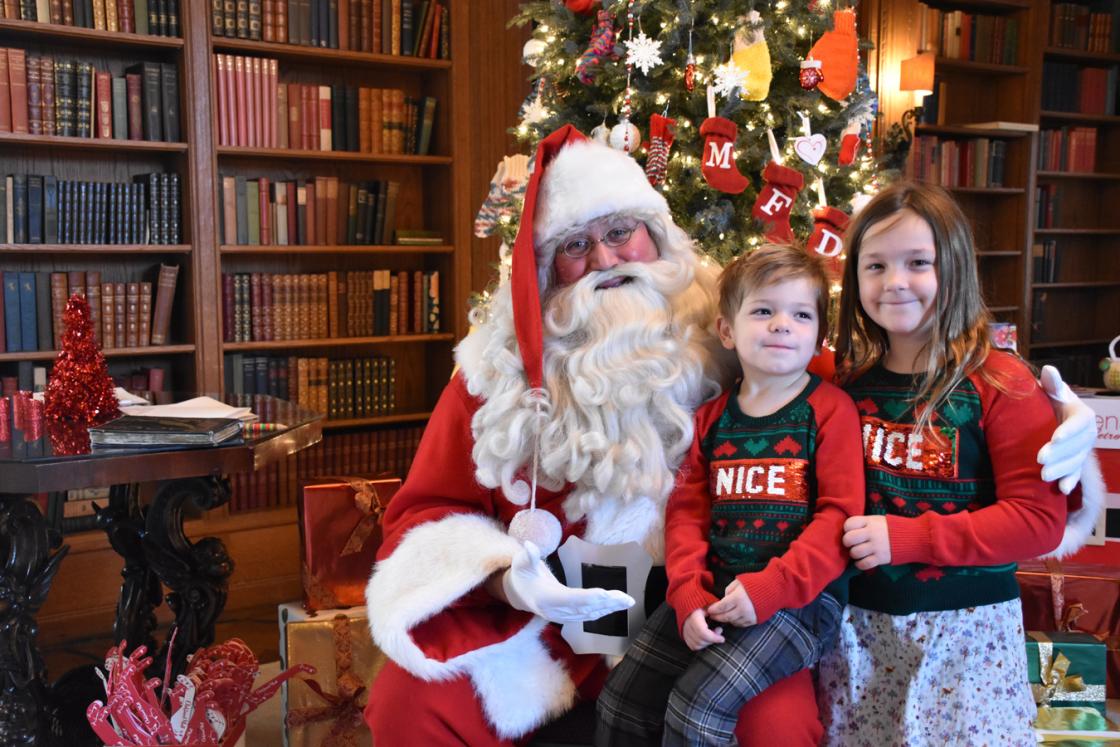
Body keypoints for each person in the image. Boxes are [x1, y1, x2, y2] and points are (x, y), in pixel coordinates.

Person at [362, 126, 1099, 746]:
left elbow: (885, 397)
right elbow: (423, 513)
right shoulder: (492, 374)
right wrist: (500, 574)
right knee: (408, 701)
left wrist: (1069, 429)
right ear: (544, 269)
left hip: (732, 601)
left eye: (622, 232)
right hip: (555, 632)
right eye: (576, 246)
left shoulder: (730, 338)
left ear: (657, 235)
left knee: (770, 718)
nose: (608, 260)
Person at [816, 181, 1104, 745]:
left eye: (917, 262)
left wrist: (909, 538)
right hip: (857, 635)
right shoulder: (844, 384)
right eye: (874, 266)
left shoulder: (999, 382)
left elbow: (1036, 521)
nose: (894, 281)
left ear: (953, 268)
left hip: (968, 640)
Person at [594, 244, 865, 746]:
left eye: (800, 314)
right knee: (620, 699)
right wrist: (688, 593)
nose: (782, 324)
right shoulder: (711, 419)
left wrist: (771, 589)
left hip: (799, 604)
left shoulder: (829, 411)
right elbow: (687, 515)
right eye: (763, 310)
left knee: (698, 709)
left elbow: (838, 519)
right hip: (715, 588)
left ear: (818, 336)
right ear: (726, 330)